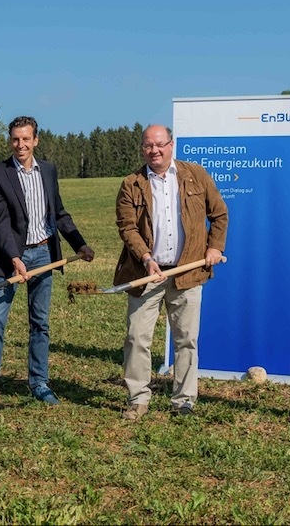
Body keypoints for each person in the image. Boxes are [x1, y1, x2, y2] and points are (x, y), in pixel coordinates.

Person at [0, 116, 95, 411]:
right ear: (10, 140)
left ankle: (39, 383)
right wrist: (15, 258)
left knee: (40, 323)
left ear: (36, 140)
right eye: (15, 139)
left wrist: (79, 243)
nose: (21, 145)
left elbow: (59, 213)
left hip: (44, 255)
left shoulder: (48, 171)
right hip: (9, 258)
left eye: (26, 139)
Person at [114, 124, 227, 420]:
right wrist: (146, 258)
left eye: (160, 144)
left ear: (171, 144)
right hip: (146, 274)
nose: (155, 151)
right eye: (149, 146)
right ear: (142, 149)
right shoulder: (131, 183)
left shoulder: (195, 175)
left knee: (186, 339)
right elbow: (127, 227)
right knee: (137, 337)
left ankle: (184, 400)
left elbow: (219, 214)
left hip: (187, 273)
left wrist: (214, 247)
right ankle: (138, 398)